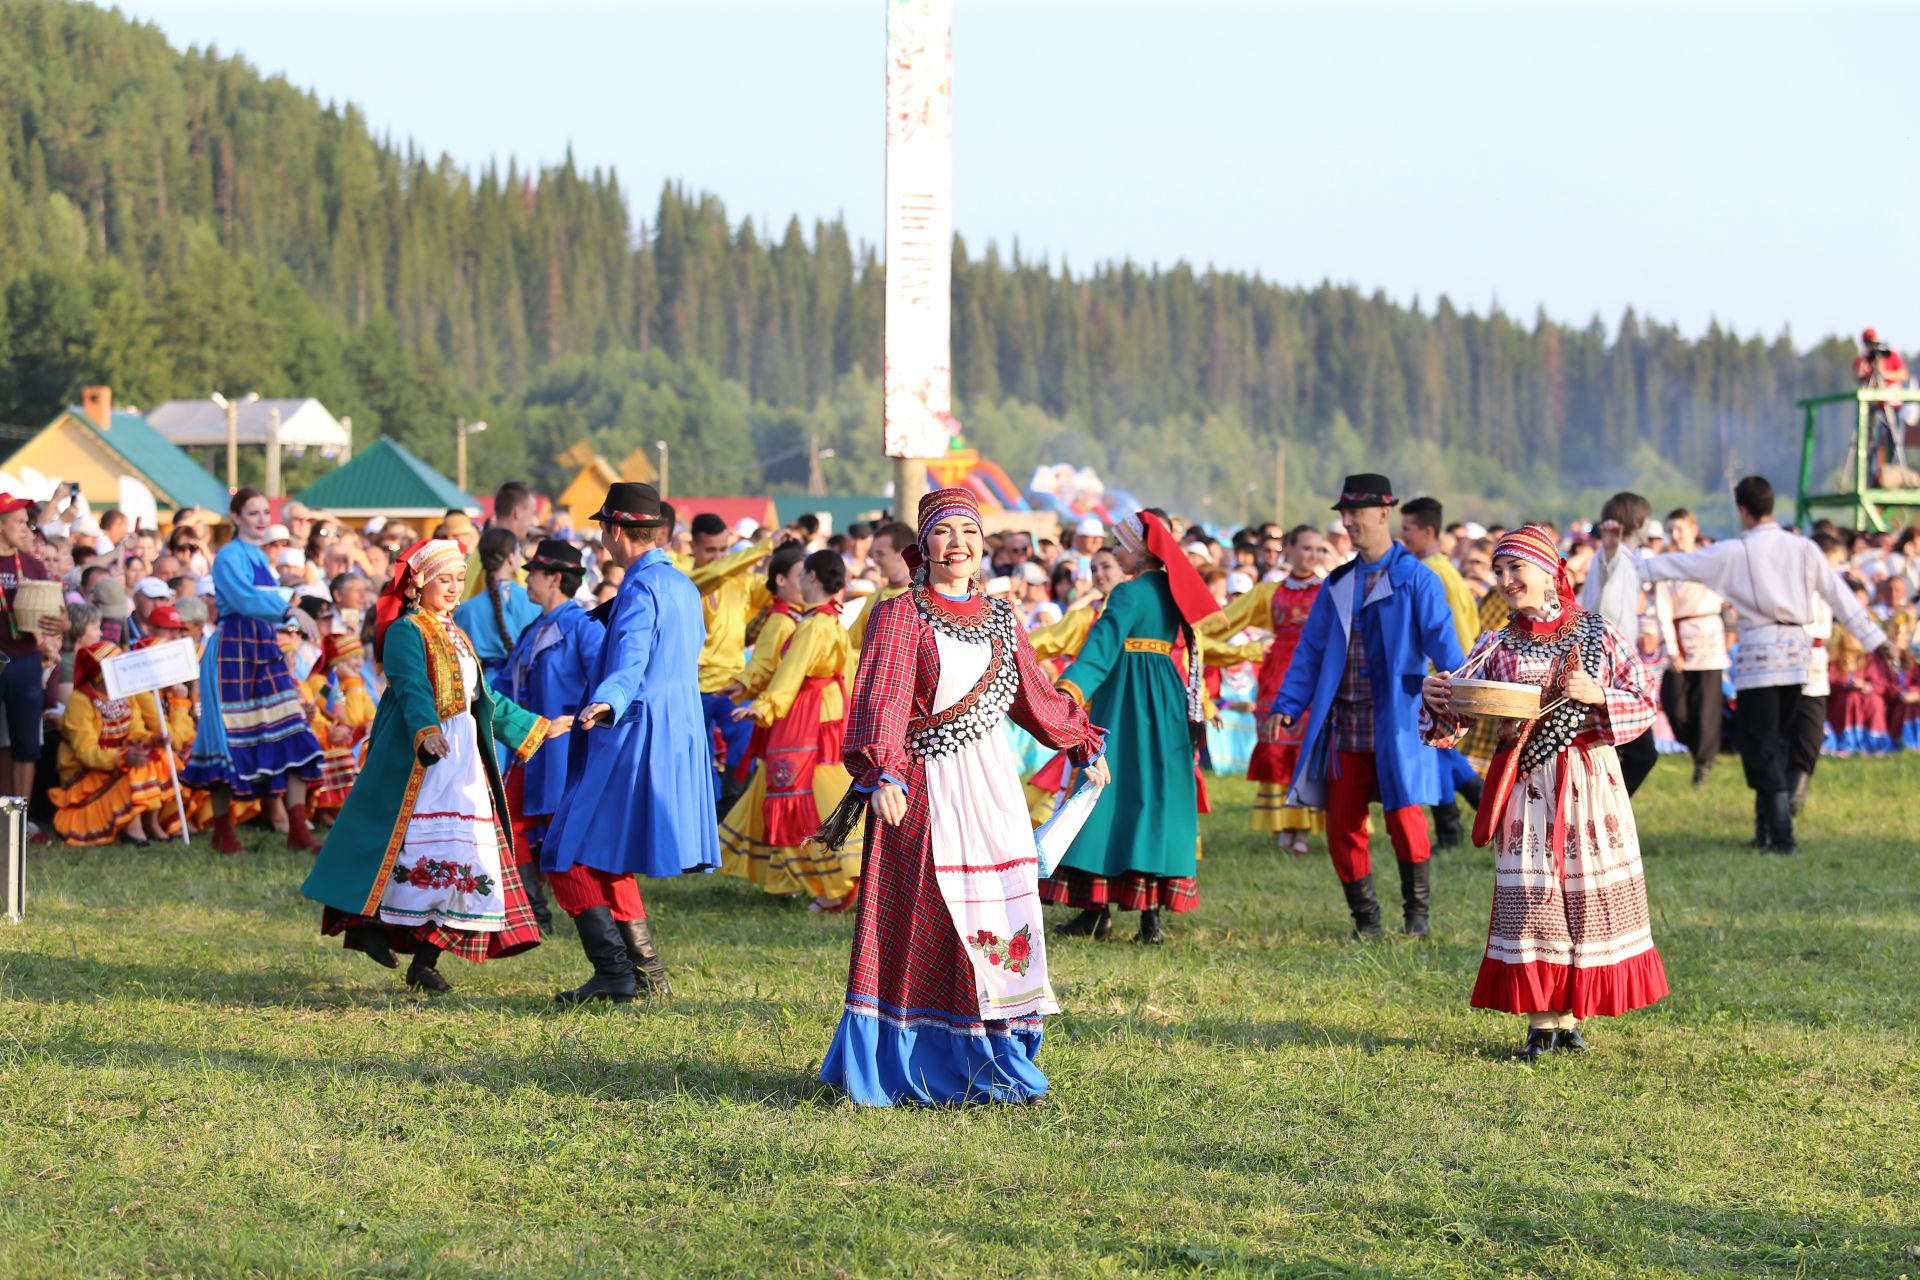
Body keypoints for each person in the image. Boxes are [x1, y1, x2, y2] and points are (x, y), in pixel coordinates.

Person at [815, 487, 1108, 1106]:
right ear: (923, 545)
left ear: (983, 544)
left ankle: (994, 1053)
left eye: (969, 532)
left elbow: (1037, 697)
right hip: (923, 791)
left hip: (992, 790)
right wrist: (884, 773)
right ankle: (910, 1061)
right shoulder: (900, 615)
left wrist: (1082, 743)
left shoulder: (1003, 617)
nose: (958, 544)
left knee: (998, 914)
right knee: (931, 915)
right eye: (944, 531)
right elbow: (882, 701)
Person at [1421, 525, 1668, 1061]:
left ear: (1551, 570)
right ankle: (1541, 1023)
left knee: (1583, 893)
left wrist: (1599, 693)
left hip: (1589, 780)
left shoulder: (1597, 634)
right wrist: (1438, 695)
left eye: (1517, 568)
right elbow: (1461, 707)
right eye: (1500, 570)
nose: (1507, 580)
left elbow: (1646, 695)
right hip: (1528, 786)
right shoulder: (1497, 642)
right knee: (1534, 895)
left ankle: (1571, 1017)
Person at [301, 539, 569, 993]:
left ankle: (424, 961)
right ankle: (367, 926)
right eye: (444, 579)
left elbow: (483, 700)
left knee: (464, 858)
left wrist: (537, 727)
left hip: (463, 760)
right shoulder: (408, 630)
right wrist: (426, 729)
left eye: (459, 579)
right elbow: (409, 686)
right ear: (419, 582)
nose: (453, 587)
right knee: (405, 849)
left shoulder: (458, 634)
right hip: (421, 759)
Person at [1641, 476, 1893, 853]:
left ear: (1743, 509)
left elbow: (1678, 564)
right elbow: (1842, 597)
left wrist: (1627, 563)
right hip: (1797, 656)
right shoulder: (1804, 548)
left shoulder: (1736, 550)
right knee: (1771, 742)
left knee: (1760, 747)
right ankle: (1766, 833)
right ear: (1771, 505)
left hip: (1760, 657)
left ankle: (1782, 837)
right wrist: (1878, 641)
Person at [1267, 474, 1465, 939]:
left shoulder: (1419, 579)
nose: (1351, 522)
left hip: (1398, 722)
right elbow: (1311, 652)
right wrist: (1289, 703)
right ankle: (1366, 921)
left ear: (1384, 514)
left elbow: (1448, 650)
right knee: (1342, 827)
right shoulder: (1336, 583)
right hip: (1344, 725)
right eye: (1346, 515)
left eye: (1359, 513)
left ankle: (1416, 919)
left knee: (1405, 819)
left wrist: (1463, 699)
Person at [543, 484, 718, 1004]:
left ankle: (617, 973)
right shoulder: (680, 584)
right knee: (607, 855)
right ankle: (648, 976)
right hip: (675, 727)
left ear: (615, 532)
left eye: (602, 531)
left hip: (634, 727)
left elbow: (633, 661)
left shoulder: (642, 590)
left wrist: (608, 700)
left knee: (565, 851)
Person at [1042, 508, 1218, 945]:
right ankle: (1150, 921)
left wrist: (1069, 690)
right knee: (1156, 796)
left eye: (1121, 545)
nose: (1116, 552)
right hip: (1165, 698)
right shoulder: (1173, 590)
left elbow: (1101, 649)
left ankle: (1094, 910)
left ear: (1139, 551)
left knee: (1110, 792)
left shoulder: (1127, 593)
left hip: (1125, 698)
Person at [181, 489, 326, 854]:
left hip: (263, 645)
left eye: (265, 512)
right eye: (253, 513)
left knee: (291, 729)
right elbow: (245, 599)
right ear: (235, 518)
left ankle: (296, 828)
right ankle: (223, 832)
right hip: (233, 649)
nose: (262, 519)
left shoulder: (259, 556)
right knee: (226, 737)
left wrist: (287, 612)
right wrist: (291, 611)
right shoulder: (229, 555)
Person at [721, 550, 862, 911]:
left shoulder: (813, 625)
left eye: (803, 573)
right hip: (826, 713)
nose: (799, 580)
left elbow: (790, 671)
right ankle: (835, 875)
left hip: (806, 717)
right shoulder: (827, 621)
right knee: (816, 794)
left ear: (812, 577)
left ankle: (834, 880)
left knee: (794, 796)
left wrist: (764, 706)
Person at [497, 539, 603, 935]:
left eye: (535, 573)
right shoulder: (533, 629)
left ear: (555, 578)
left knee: (565, 835)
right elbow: (506, 685)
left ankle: (590, 917)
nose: (529, 579)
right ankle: (534, 913)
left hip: (566, 751)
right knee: (509, 823)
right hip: (531, 747)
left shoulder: (584, 626)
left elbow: (605, 686)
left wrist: (579, 719)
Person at [1212, 524, 1326, 853]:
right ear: (1288, 550)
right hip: (1277, 674)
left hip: (1315, 676)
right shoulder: (1269, 592)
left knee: (1305, 749)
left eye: (1319, 550)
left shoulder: (1329, 590)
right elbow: (1229, 618)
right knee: (1277, 748)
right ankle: (1281, 825)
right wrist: (1192, 634)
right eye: (1306, 548)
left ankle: (1302, 828)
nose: (1313, 555)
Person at [716, 544, 809, 896]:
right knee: (781, 796)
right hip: (784, 719)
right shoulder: (781, 620)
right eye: (801, 575)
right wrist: (744, 684)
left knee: (772, 796)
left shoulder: (801, 617)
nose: (807, 582)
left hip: (796, 716)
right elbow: (764, 665)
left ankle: (782, 872)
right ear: (780, 580)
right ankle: (785, 875)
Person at [1400, 495, 1485, 847]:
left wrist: (1458, 678)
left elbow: (1452, 634)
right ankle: (1484, 816)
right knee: (1443, 751)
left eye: (1407, 529)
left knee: (1434, 749)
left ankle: (1453, 829)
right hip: (1445, 675)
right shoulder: (1443, 567)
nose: (1402, 536)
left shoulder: (1432, 571)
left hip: (1442, 677)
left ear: (1428, 530)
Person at [682, 511, 777, 813]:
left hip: (732, 684)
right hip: (689, 687)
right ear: (693, 548)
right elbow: (716, 574)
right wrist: (763, 547)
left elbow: (783, 587)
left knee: (744, 751)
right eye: (711, 551)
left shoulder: (744, 582)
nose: (719, 557)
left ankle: (731, 809)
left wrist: (788, 558)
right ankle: (703, 821)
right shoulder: (683, 577)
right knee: (697, 760)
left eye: (724, 550)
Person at [1580, 493, 1659, 795]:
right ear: (1637, 523)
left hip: (1610, 664)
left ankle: (1601, 804)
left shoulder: (1621, 558)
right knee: (1642, 754)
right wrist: (1611, 551)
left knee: (1619, 749)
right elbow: (1605, 599)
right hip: (1611, 668)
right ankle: (1605, 805)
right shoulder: (1614, 557)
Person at [0, 494, 70, 821]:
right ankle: (4, 820)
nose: (26, 528)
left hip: (25, 658)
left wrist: (63, 624)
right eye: (18, 522)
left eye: (28, 522)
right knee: (3, 743)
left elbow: (63, 616)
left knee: (26, 743)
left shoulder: (31, 564)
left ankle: (18, 822)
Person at [1652, 509, 1727, 785]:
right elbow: (1662, 609)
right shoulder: (1666, 564)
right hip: (1680, 637)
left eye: (1680, 529)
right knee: (1675, 703)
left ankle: (1704, 763)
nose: (1675, 535)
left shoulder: (1712, 559)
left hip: (1708, 634)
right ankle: (1693, 744)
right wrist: (1670, 647)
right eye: (1671, 529)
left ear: (1694, 530)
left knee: (1707, 704)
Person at [452, 526, 541, 685]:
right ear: (511, 558)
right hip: (526, 685)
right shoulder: (535, 603)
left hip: (485, 690)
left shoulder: (466, 610)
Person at [306, 632, 376, 823]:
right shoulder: (320, 682)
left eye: (361, 657)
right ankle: (332, 811)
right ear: (339, 660)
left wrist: (369, 722)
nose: (359, 663)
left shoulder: (354, 682)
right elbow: (349, 719)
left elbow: (370, 714)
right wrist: (353, 684)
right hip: (328, 740)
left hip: (350, 739)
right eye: (354, 657)